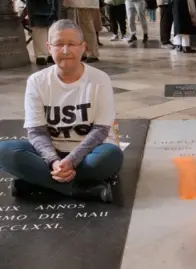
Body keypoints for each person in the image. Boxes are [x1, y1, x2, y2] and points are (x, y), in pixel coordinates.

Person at [0, 19, 123, 203]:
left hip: (89, 154)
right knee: (4, 150)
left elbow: (100, 131)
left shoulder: (100, 80)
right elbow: (37, 132)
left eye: (72, 44)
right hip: (50, 153)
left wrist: (71, 161)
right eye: (59, 44)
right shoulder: (37, 81)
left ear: (83, 47)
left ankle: (36, 181)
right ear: (49, 47)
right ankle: (76, 190)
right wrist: (53, 161)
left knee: (111, 157)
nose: (66, 51)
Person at [25, 0, 61, 66]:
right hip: (36, 9)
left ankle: (50, 53)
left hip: (51, 8)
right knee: (39, 31)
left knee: (51, 31)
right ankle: (41, 55)